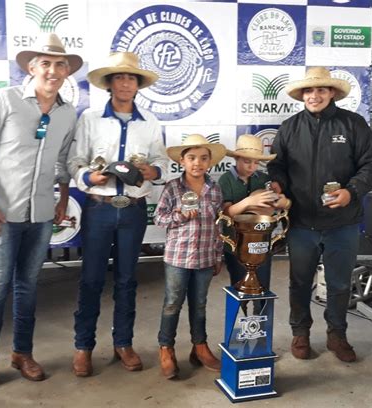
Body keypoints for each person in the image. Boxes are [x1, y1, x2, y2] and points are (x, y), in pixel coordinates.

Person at [0, 33, 83, 396]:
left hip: (42, 215)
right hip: (2, 214)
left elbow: (64, 162)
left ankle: (22, 354)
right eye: (44, 63)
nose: (52, 70)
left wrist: (63, 199)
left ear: (67, 72)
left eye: (59, 64)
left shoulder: (66, 112)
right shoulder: (6, 99)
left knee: (28, 288)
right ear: (31, 68)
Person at [267, 67, 372, 363]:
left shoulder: (353, 124)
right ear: (302, 95)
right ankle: (300, 333)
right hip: (302, 222)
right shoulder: (290, 127)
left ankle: (337, 335)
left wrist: (351, 191)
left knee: (340, 283)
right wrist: (278, 186)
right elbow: (277, 166)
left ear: (332, 93)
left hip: (342, 222)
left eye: (321, 90)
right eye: (309, 91)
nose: (314, 96)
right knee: (300, 281)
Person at [68, 51, 168, 377]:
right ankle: (83, 346)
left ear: (138, 85)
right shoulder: (90, 119)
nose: (125, 83)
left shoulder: (150, 122)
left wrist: (152, 170)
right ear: (110, 84)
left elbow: (162, 164)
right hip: (99, 208)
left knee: (127, 280)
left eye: (131, 78)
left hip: (134, 211)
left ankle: (123, 343)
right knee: (92, 280)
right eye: (119, 77)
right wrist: (88, 177)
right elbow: (75, 161)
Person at [154, 134, 226, 379]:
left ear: (210, 163)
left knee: (200, 304)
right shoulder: (173, 187)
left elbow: (219, 225)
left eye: (204, 158)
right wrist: (179, 216)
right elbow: (159, 218)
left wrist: (218, 255)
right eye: (192, 158)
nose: (198, 163)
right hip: (178, 258)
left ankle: (200, 347)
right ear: (182, 161)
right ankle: (166, 348)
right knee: (172, 302)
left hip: (205, 257)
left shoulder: (214, 189)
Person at [218, 134, 291, 313]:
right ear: (236, 159)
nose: (252, 167)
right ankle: (237, 327)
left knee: (262, 288)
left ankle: (261, 330)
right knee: (238, 288)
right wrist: (249, 202)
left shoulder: (263, 179)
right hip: (235, 245)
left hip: (262, 244)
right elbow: (226, 213)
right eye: (246, 162)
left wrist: (281, 202)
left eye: (256, 163)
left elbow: (278, 206)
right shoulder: (225, 180)